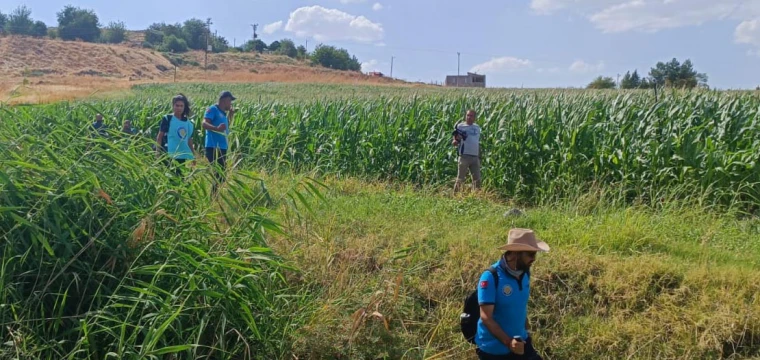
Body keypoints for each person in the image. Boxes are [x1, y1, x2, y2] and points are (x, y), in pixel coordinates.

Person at [475, 228, 550, 360]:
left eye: (535, 254)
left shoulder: (525, 273)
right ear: (516, 253)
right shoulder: (490, 277)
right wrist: (509, 342)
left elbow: (519, 305)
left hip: (521, 342)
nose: (534, 259)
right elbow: (486, 317)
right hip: (494, 349)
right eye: (531, 255)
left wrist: (526, 331)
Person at [203, 90, 236, 196]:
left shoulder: (222, 113)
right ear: (224, 100)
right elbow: (204, 123)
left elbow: (225, 127)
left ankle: (214, 196)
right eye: (230, 101)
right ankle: (212, 198)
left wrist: (230, 115)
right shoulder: (213, 109)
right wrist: (216, 128)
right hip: (213, 146)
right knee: (218, 173)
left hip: (222, 147)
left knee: (222, 174)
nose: (231, 104)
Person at [156, 94, 195, 177]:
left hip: (181, 154)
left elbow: (189, 140)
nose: (179, 108)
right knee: (171, 177)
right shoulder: (167, 119)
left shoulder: (187, 122)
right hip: (169, 153)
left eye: (181, 106)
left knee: (180, 176)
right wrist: (157, 152)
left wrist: (193, 156)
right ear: (173, 106)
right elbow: (160, 136)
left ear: (184, 107)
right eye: (177, 105)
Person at [452, 109, 481, 192]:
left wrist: (479, 156)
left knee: (477, 180)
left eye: (471, 116)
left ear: (475, 117)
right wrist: (455, 141)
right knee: (460, 178)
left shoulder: (477, 127)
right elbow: (455, 140)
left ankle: (476, 197)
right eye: (467, 115)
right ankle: (455, 196)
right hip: (464, 156)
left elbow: (477, 142)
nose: (469, 117)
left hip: (475, 157)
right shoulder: (460, 126)